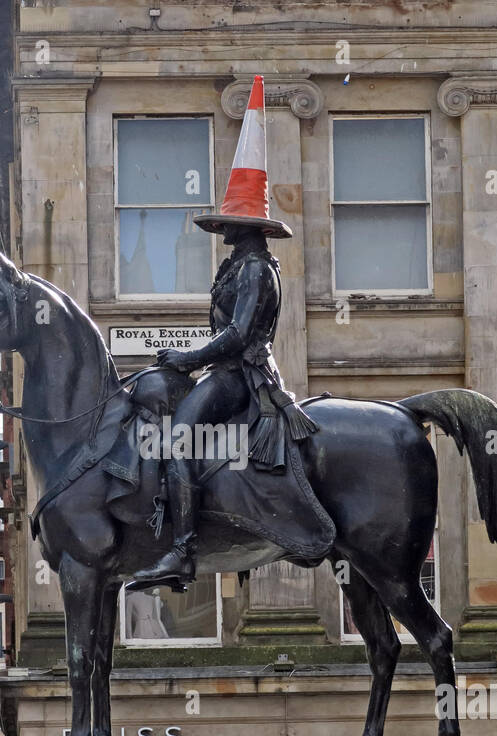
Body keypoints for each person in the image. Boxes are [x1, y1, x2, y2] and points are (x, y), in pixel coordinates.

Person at [130, 76, 316, 587]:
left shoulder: (256, 269)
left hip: (242, 375)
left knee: (177, 442)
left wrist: (185, 359)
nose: (224, 229)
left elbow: (236, 337)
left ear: (249, 228)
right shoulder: (238, 265)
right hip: (225, 368)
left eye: (230, 222)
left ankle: (184, 550)